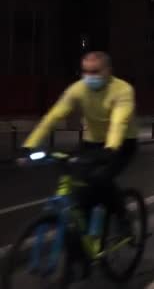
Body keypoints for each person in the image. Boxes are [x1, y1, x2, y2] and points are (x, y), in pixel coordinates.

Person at [20, 51, 138, 233]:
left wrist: (111, 148)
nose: (90, 76)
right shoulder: (78, 89)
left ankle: (123, 218)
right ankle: (83, 243)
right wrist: (29, 144)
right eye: (86, 71)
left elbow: (118, 121)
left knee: (101, 178)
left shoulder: (123, 90)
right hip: (92, 142)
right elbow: (54, 115)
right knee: (79, 185)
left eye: (95, 71)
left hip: (122, 143)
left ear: (108, 71)